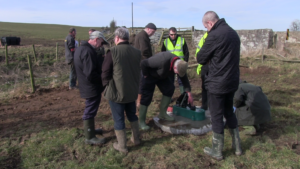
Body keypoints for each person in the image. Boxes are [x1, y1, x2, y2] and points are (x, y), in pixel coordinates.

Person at [197, 11, 242, 160]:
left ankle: (217, 150)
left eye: (206, 27)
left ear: (210, 23)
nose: (207, 30)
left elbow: (201, 57)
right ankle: (237, 147)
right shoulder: (233, 33)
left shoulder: (215, 35)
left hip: (217, 82)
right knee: (229, 110)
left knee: (216, 115)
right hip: (232, 81)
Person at [102, 28, 141, 153]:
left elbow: (105, 72)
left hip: (117, 92)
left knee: (119, 119)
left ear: (117, 38)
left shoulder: (112, 51)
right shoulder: (137, 52)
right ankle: (136, 139)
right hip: (132, 91)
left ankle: (122, 146)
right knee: (132, 115)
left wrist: (106, 85)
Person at [139, 52, 194, 130]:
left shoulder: (180, 64)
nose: (178, 75)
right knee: (146, 97)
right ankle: (141, 122)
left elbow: (184, 78)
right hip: (149, 75)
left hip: (161, 75)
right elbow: (143, 63)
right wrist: (145, 75)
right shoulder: (162, 60)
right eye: (177, 73)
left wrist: (188, 92)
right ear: (175, 68)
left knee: (169, 89)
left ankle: (162, 113)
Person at [74, 31, 108, 145]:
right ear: (96, 39)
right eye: (101, 42)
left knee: (91, 108)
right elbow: (90, 74)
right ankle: (89, 136)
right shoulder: (88, 51)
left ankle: (91, 130)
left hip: (86, 85)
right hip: (91, 87)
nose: (101, 45)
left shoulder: (82, 48)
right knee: (90, 110)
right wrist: (102, 79)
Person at [134, 23, 157, 108]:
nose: (153, 34)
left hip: (140, 62)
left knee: (141, 81)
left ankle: (139, 99)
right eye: (153, 32)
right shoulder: (143, 36)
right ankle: (139, 101)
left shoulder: (142, 35)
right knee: (142, 82)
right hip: (142, 63)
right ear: (148, 29)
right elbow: (144, 51)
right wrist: (149, 62)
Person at [161, 27, 189, 94]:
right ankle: (169, 97)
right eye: (171, 34)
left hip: (180, 64)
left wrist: (185, 62)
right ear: (169, 34)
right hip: (170, 64)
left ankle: (183, 95)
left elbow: (186, 52)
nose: (173, 36)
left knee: (182, 81)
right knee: (170, 81)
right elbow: (163, 53)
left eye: (175, 34)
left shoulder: (182, 40)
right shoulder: (166, 41)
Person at [195, 32, 208, 110]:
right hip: (204, 65)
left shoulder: (217, 35)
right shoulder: (205, 37)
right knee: (205, 87)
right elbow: (198, 52)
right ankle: (205, 105)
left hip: (213, 66)